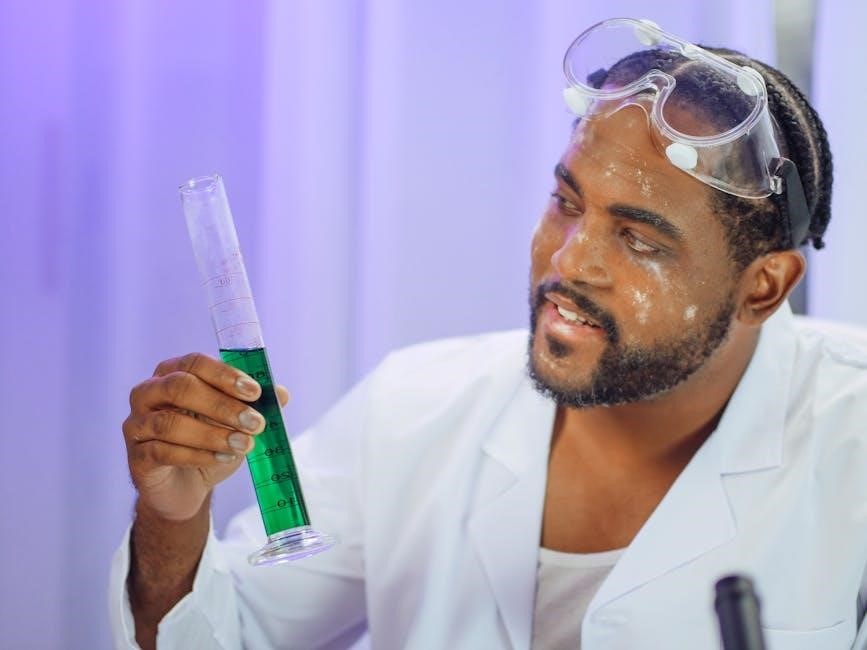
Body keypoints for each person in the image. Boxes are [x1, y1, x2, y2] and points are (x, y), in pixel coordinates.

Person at [109, 17, 867, 649]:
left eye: (639, 239)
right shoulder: (412, 409)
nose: (569, 261)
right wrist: (173, 521)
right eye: (567, 203)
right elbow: (220, 634)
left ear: (762, 287)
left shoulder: (851, 439)